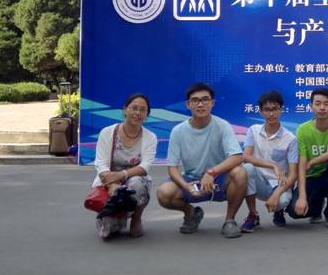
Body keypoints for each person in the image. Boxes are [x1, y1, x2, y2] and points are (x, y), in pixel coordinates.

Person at [155, 82, 247, 238]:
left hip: (218, 180)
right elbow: (172, 167)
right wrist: (185, 185)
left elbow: (237, 157)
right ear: (188, 104)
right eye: (195, 100)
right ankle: (191, 213)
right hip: (191, 181)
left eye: (205, 99)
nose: (200, 104)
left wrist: (212, 173)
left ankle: (230, 221)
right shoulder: (178, 131)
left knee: (240, 174)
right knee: (164, 193)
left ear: (212, 103)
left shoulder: (222, 125)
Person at [93, 93, 157, 240]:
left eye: (142, 110)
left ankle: (136, 219)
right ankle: (113, 217)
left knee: (139, 183)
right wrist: (112, 184)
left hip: (133, 178)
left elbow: (145, 166)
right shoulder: (107, 133)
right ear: (124, 110)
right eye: (134, 108)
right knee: (108, 232)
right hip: (108, 179)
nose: (138, 113)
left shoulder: (150, 137)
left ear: (147, 115)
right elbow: (101, 163)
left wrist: (121, 175)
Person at [287, 88, 328, 232]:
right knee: (295, 211)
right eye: (318, 103)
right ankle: (316, 207)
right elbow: (302, 164)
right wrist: (302, 197)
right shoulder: (303, 129)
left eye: (326, 104)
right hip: (312, 177)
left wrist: (313, 161)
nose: (322, 107)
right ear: (311, 106)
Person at [240, 90, 298, 231]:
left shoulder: (290, 139)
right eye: (267, 110)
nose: (271, 114)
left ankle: (278, 210)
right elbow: (245, 157)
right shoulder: (253, 130)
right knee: (246, 169)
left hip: (279, 184)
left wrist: (276, 194)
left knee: (282, 201)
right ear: (261, 112)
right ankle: (253, 215)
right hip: (258, 181)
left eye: (275, 109)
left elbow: (293, 174)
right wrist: (273, 166)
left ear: (281, 110)